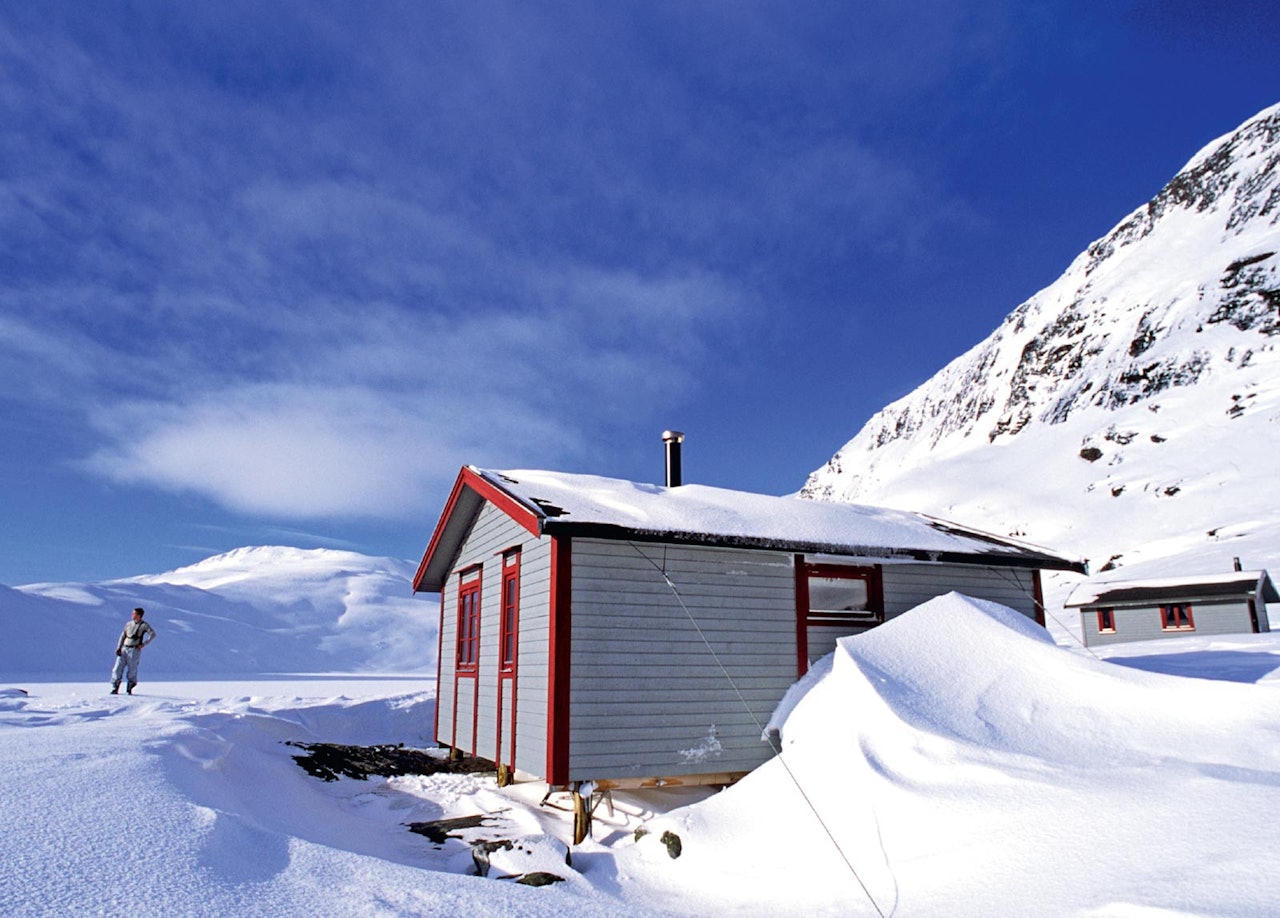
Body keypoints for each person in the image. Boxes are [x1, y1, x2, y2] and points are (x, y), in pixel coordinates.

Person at [111, 607, 156, 695]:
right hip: (125, 648)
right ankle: (115, 687)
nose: (132, 615)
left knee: (132, 669)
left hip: (134, 649)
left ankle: (129, 688)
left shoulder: (144, 625)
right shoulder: (128, 624)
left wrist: (143, 644)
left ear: (139, 615)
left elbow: (152, 634)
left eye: (134, 614)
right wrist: (119, 647)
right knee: (117, 667)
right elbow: (123, 635)